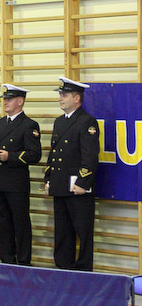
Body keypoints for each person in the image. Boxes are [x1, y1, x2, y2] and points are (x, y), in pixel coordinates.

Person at [45, 77, 99, 271]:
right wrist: (49, 178)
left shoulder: (87, 122)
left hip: (78, 188)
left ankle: (83, 271)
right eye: (61, 94)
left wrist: (83, 182)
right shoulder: (59, 122)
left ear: (77, 98)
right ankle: (63, 268)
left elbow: (90, 156)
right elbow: (54, 154)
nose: (61, 98)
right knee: (62, 232)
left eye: (65, 95)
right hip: (60, 185)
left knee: (83, 232)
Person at [0, 84, 41, 265]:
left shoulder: (29, 125)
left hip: (16, 182)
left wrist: (11, 156)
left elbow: (34, 154)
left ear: (20, 101)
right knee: (2, 224)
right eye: (4, 99)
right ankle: (7, 260)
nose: (5, 102)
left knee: (20, 224)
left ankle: (24, 262)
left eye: (9, 99)